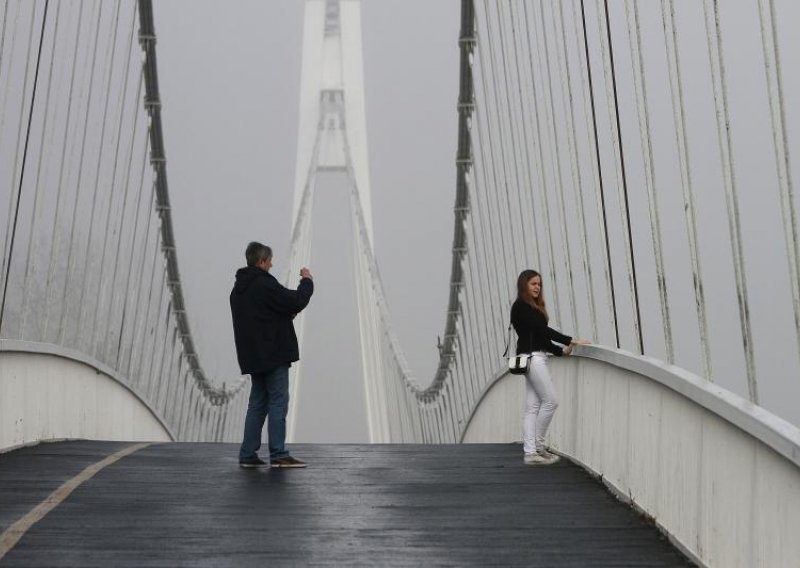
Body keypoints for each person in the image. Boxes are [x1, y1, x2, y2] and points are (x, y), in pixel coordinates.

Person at [230, 241, 314, 469]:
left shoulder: (238, 290)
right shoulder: (264, 284)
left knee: (257, 403)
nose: (272, 264)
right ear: (261, 261)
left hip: (253, 356)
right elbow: (296, 300)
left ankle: (247, 453)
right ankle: (279, 454)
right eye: (269, 260)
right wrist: (307, 281)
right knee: (278, 402)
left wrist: (283, 317)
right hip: (273, 354)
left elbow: (261, 317)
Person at [510, 269, 590, 466]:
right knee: (551, 401)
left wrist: (560, 351)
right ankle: (537, 446)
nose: (537, 287)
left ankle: (532, 452)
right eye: (533, 284)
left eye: (539, 284)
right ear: (524, 285)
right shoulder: (521, 306)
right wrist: (570, 339)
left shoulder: (533, 307)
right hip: (532, 358)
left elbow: (541, 337)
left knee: (533, 407)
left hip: (536, 356)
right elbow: (543, 331)